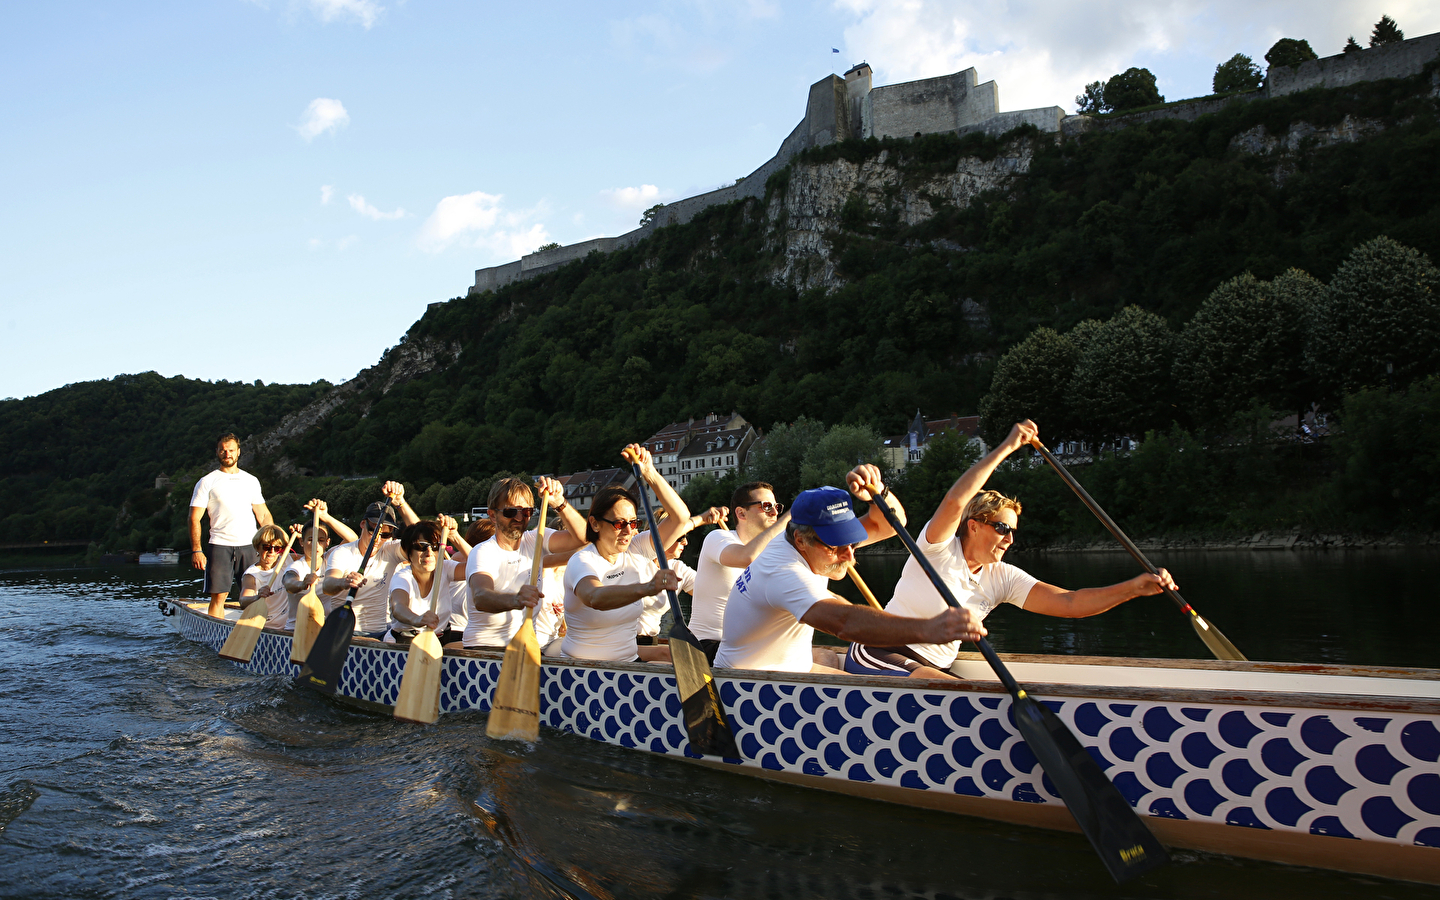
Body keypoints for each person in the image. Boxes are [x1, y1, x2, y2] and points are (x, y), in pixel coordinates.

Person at [845, 420, 1177, 679]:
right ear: (974, 525)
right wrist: (1008, 446)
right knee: (950, 688)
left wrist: (1133, 588)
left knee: (953, 685)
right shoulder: (937, 548)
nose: (1009, 539)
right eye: (1002, 528)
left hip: (929, 667)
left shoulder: (1002, 577)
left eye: (1013, 532)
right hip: (878, 650)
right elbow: (956, 500)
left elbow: (1070, 603)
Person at [714, 465, 984, 674]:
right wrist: (928, 629)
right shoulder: (783, 570)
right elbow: (844, 623)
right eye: (836, 546)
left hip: (790, 670)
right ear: (800, 540)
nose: (849, 555)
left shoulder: (814, 541)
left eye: (851, 542)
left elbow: (891, 524)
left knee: (832, 658)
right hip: (746, 684)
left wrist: (878, 494)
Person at [561, 445, 690, 662]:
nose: (629, 531)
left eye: (633, 523)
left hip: (629, 664)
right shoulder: (582, 561)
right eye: (619, 524)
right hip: (583, 669)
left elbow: (681, 518)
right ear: (594, 523)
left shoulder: (635, 550)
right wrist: (648, 588)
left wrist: (649, 473)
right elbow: (595, 597)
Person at [464, 476, 588, 651]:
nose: (519, 517)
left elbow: (584, 537)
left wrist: (559, 502)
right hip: (486, 647)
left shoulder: (535, 540)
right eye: (510, 512)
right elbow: (481, 597)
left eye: (526, 512)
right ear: (492, 515)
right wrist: (516, 599)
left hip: (526, 645)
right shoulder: (483, 552)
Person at [689, 481, 790, 662]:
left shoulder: (772, 554)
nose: (774, 512)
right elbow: (747, 557)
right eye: (766, 506)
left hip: (747, 647)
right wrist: (790, 516)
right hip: (706, 647)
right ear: (741, 513)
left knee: (828, 657)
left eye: (777, 507)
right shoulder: (718, 538)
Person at [189, 433, 273, 617]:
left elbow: (263, 515)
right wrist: (197, 550)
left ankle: (253, 629)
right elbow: (194, 518)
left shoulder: (251, 480)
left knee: (254, 593)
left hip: (249, 546)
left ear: (238, 452)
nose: (227, 454)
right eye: (223, 450)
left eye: (231, 450)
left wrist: (272, 544)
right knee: (219, 596)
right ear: (217, 452)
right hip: (220, 545)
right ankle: (214, 631)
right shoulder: (207, 481)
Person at [321, 482, 419, 638]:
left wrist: (401, 503)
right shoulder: (343, 552)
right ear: (362, 524)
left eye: (385, 535)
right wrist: (344, 582)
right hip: (346, 631)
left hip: (382, 631)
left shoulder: (390, 550)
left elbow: (421, 538)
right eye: (373, 531)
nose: (377, 539)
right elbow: (327, 586)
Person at [630, 507, 723, 662]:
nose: (685, 542)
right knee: (673, 656)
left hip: (651, 642)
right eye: (681, 537)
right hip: (626, 641)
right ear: (667, 534)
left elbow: (712, 591)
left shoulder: (678, 568)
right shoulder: (636, 559)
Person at [386, 516, 471, 646]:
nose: (429, 552)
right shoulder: (402, 577)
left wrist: (454, 536)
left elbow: (479, 566)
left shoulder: (444, 568)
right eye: (421, 546)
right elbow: (398, 607)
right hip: (406, 642)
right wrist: (417, 619)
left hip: (440, 639)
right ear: (409, 552)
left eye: (435, 546)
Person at [281, 499, 358, 632]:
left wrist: (325, 516)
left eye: (321, 540)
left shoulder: (330, 558)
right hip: (296, 630)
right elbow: (289, 583)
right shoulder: (297, 567)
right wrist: (302, 584)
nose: (316, 545)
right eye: (310, 540)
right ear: (302, 542)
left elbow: (353, 539)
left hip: (324, 630)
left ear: (327, 542)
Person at [237, 524, 299, 629]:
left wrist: (302, 537)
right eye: (267, 547)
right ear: (257, 547)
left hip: (290, 626)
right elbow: (243, 602)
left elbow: (314, 558)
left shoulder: (287, 559)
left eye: (277, 548)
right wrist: (258, 596)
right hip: (266, 626)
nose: (272, 552)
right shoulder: (251, 574)